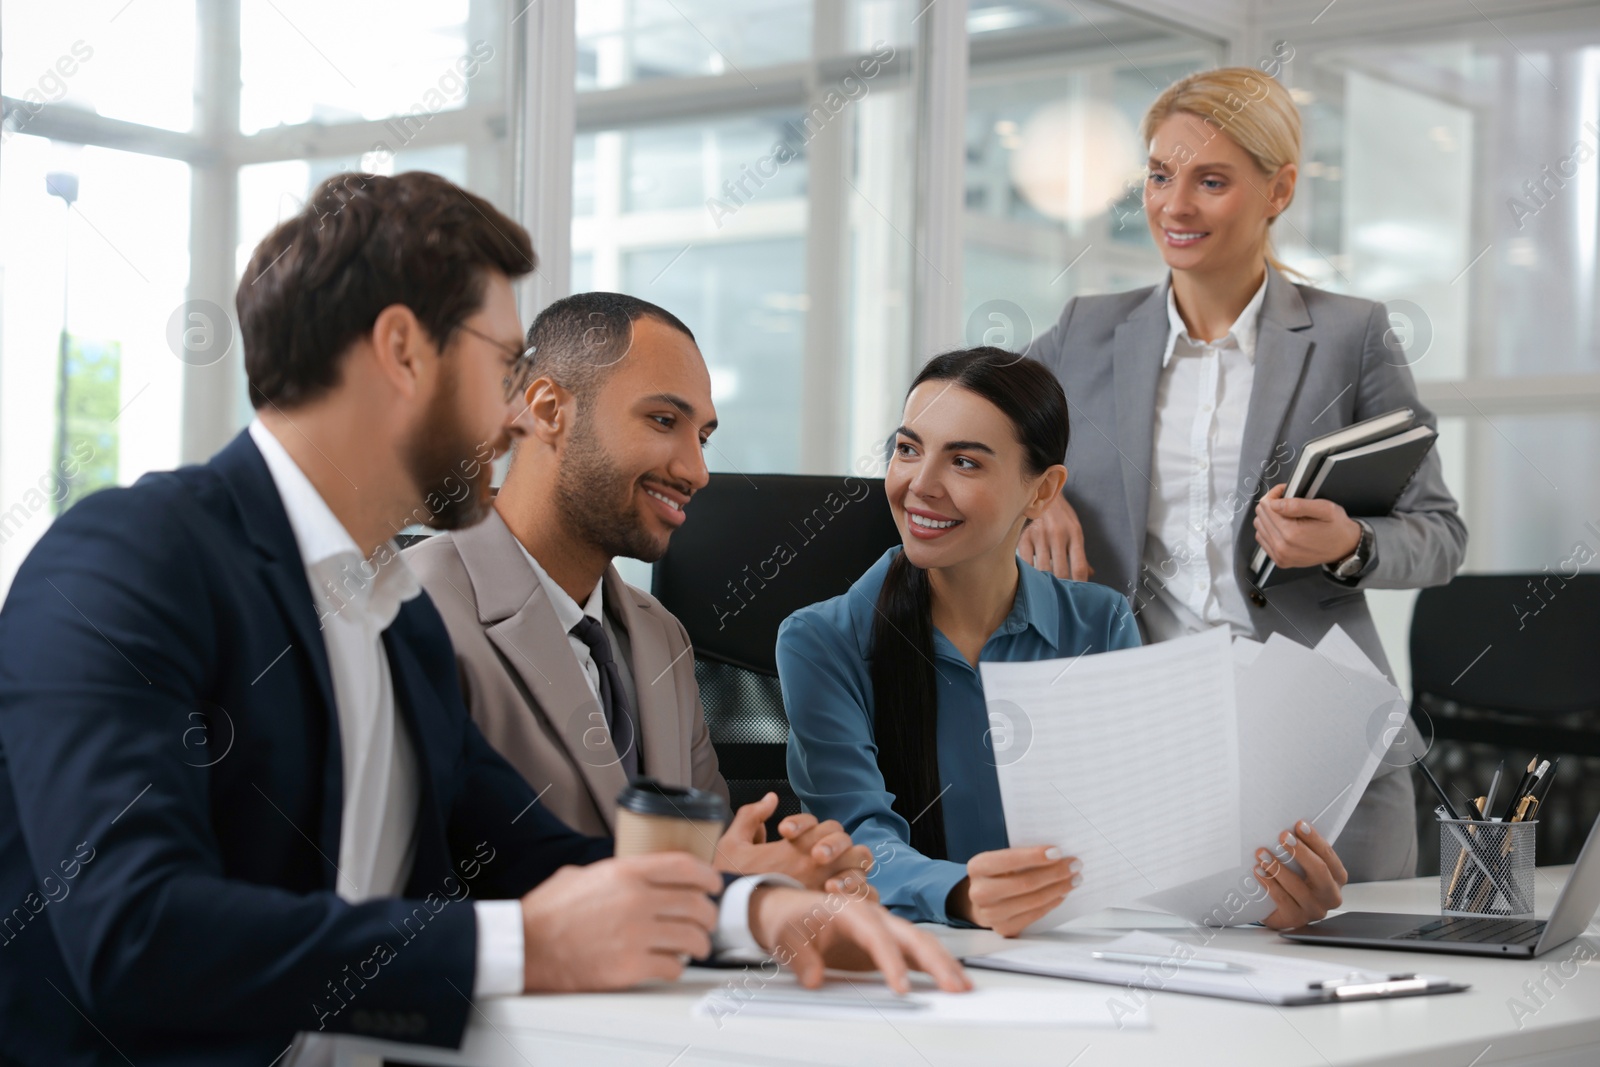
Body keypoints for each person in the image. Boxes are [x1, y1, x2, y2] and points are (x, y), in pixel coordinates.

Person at [0, 171, 967, 1067]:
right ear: (401, 351)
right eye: (504, 365)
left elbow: (537, 856)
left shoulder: (396, 619)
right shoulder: (131, 559)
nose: (516, 419)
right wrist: (527, 942)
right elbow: (136, 935)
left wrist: (754, 912)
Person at [1018, 67, 1467, 883]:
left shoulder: (1350, 337)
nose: (1174, 205)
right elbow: (953, 438)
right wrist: (1028, 504)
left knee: (1355, 993)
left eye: (1211, 180)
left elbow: (1439, 534)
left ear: (1279, 189)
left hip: (1321, 739)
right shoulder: (1086, 332)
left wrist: (1351, 542)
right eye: (1160, 175)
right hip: (1142, 742)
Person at [778, 348, 1348, 936]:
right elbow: (852, 843)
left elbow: (1147, 831)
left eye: (965, 462)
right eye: (907, 449)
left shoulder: (1099, 624)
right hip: (917, 964)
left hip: (1073, 958)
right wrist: (965, 894)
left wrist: (1256, 898)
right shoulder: (820, 641)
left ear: (1043, 492)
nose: (920, 485)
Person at [406, 291, 873, 896]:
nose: (696, 471)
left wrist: (784, 882)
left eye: (702, 436)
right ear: (547, 409)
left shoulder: (662, 636)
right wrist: (724, 882)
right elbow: (422, 890)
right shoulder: (412, 613)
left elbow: (713, 858)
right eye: (662, 421)